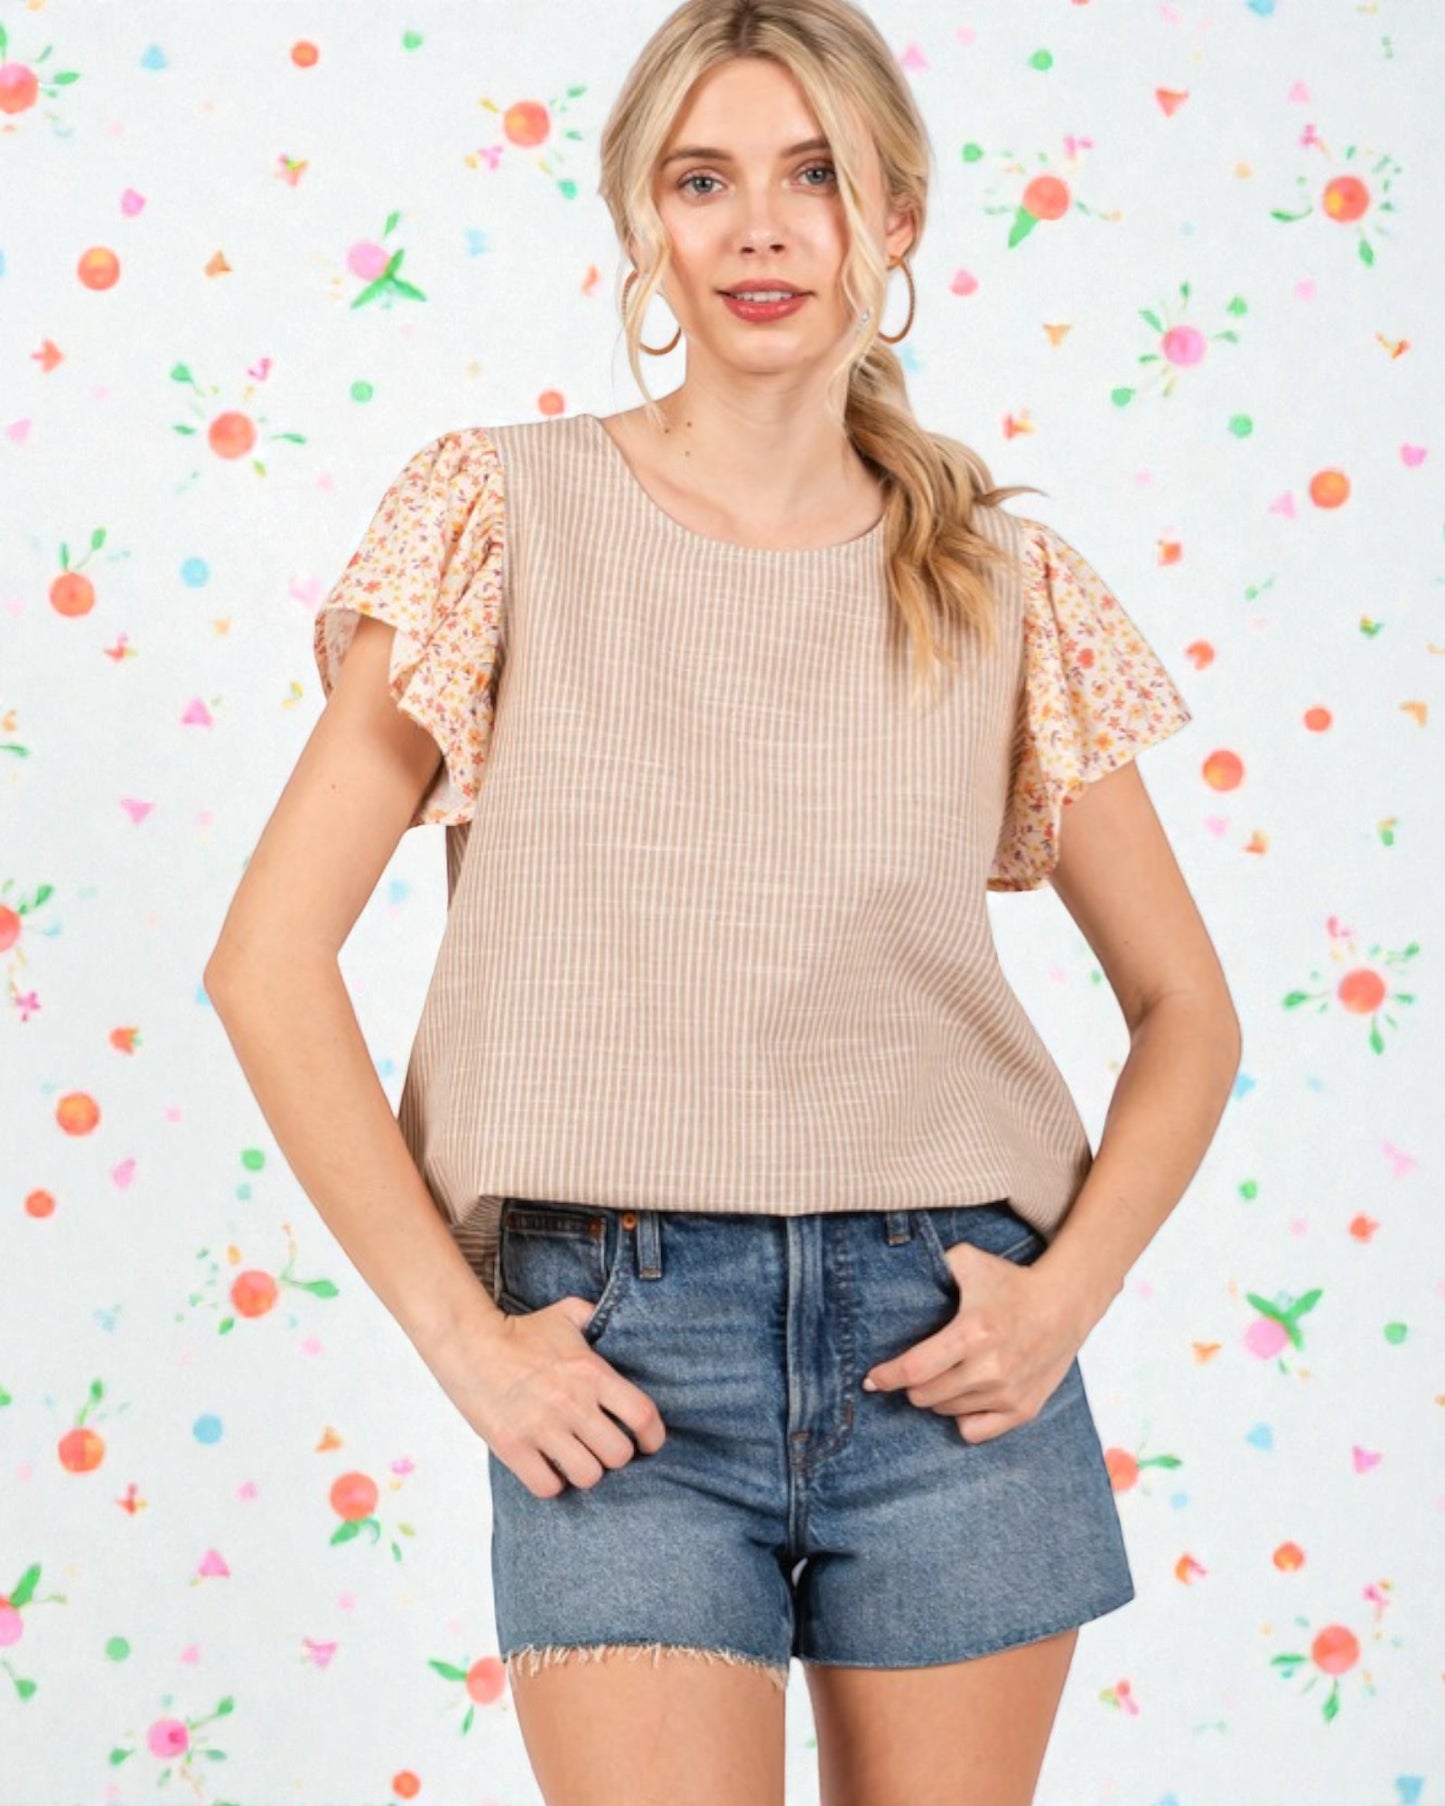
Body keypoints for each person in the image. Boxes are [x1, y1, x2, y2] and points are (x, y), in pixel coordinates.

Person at [206, 2, 1241, 1801]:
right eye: (705, 180)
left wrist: (1062, 1298)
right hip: (613, 1355)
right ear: (642, 226)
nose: (760, 228)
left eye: (814, 177)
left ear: (894, 221)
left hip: (945, 1341)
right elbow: (266, 964)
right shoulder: (497, 519)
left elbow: (1190, 1014)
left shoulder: (999, 582)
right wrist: (465, 1342)